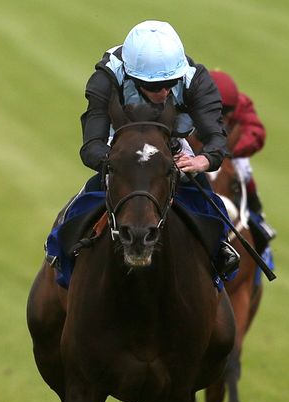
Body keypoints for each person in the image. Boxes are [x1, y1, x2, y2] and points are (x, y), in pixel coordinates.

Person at [77, 20, 240, 280]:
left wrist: (203, 161)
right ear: (131, 76)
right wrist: (117, 161)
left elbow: (215, 136)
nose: (165, 91)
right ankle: (58, 256)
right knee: (77, 212)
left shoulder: (195, 79)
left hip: (171, 147)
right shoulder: (106, 77)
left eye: (171, 83)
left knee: (214, 210)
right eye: (154, 87)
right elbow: (91, 145)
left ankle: (219, 259)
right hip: (119, 149)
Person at [208, 69, 277, 254]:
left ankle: (257, 217)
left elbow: (256, 132)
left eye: (226, 113)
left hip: (228, 151)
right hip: (197, 147)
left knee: (244, 172)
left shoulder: (242, 104)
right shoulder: (190, 93)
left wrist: (231, 151)